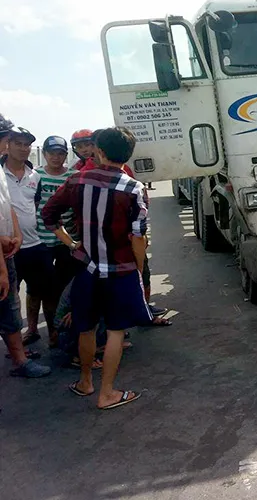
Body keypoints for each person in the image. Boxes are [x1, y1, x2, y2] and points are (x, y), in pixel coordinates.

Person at [43, 126, 150, 409]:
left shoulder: (77, 180)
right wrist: (138, 268)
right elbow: (138, 237)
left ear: (99, 151)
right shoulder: (134, 188)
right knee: (115, 331)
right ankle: (108, 394)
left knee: (86, 328)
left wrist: (71, 243)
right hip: (121, 270)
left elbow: (49, 214)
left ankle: (85, 382)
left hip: (87, 269)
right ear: (128, 154)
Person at [72, 128, 168, 320]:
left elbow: (138, 200)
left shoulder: (124, 170)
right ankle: (115, 322)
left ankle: (143, 312)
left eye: (88, 144)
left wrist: (140, 234)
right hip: (101, 242)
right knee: (109, 285)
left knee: (143, 275)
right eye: (81, 146)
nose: (85, 149)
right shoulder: (81, 174)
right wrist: (73, 242)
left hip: (129, 236)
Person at [0, 115, 50, 378]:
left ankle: (27, 341)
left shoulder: (34, 176)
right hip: (6, 250)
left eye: (25, 144)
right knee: (8, 300)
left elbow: (21, 206)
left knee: (31, 294)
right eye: (14, 141)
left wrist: (18, 234)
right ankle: (18, 353)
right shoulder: (1, 170)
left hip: (28, 244)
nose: (21, 147)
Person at [35, 136, 79, 305]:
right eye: (51, 153)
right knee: (38, 288)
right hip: (40, 238)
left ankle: (62, 317)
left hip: (66, 240)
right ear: (44, 154)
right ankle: (33, 323)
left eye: (60, 153)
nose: (56, 157)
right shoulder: (35, 175)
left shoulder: (74, 176)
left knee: (65, 283)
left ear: (66, 155)